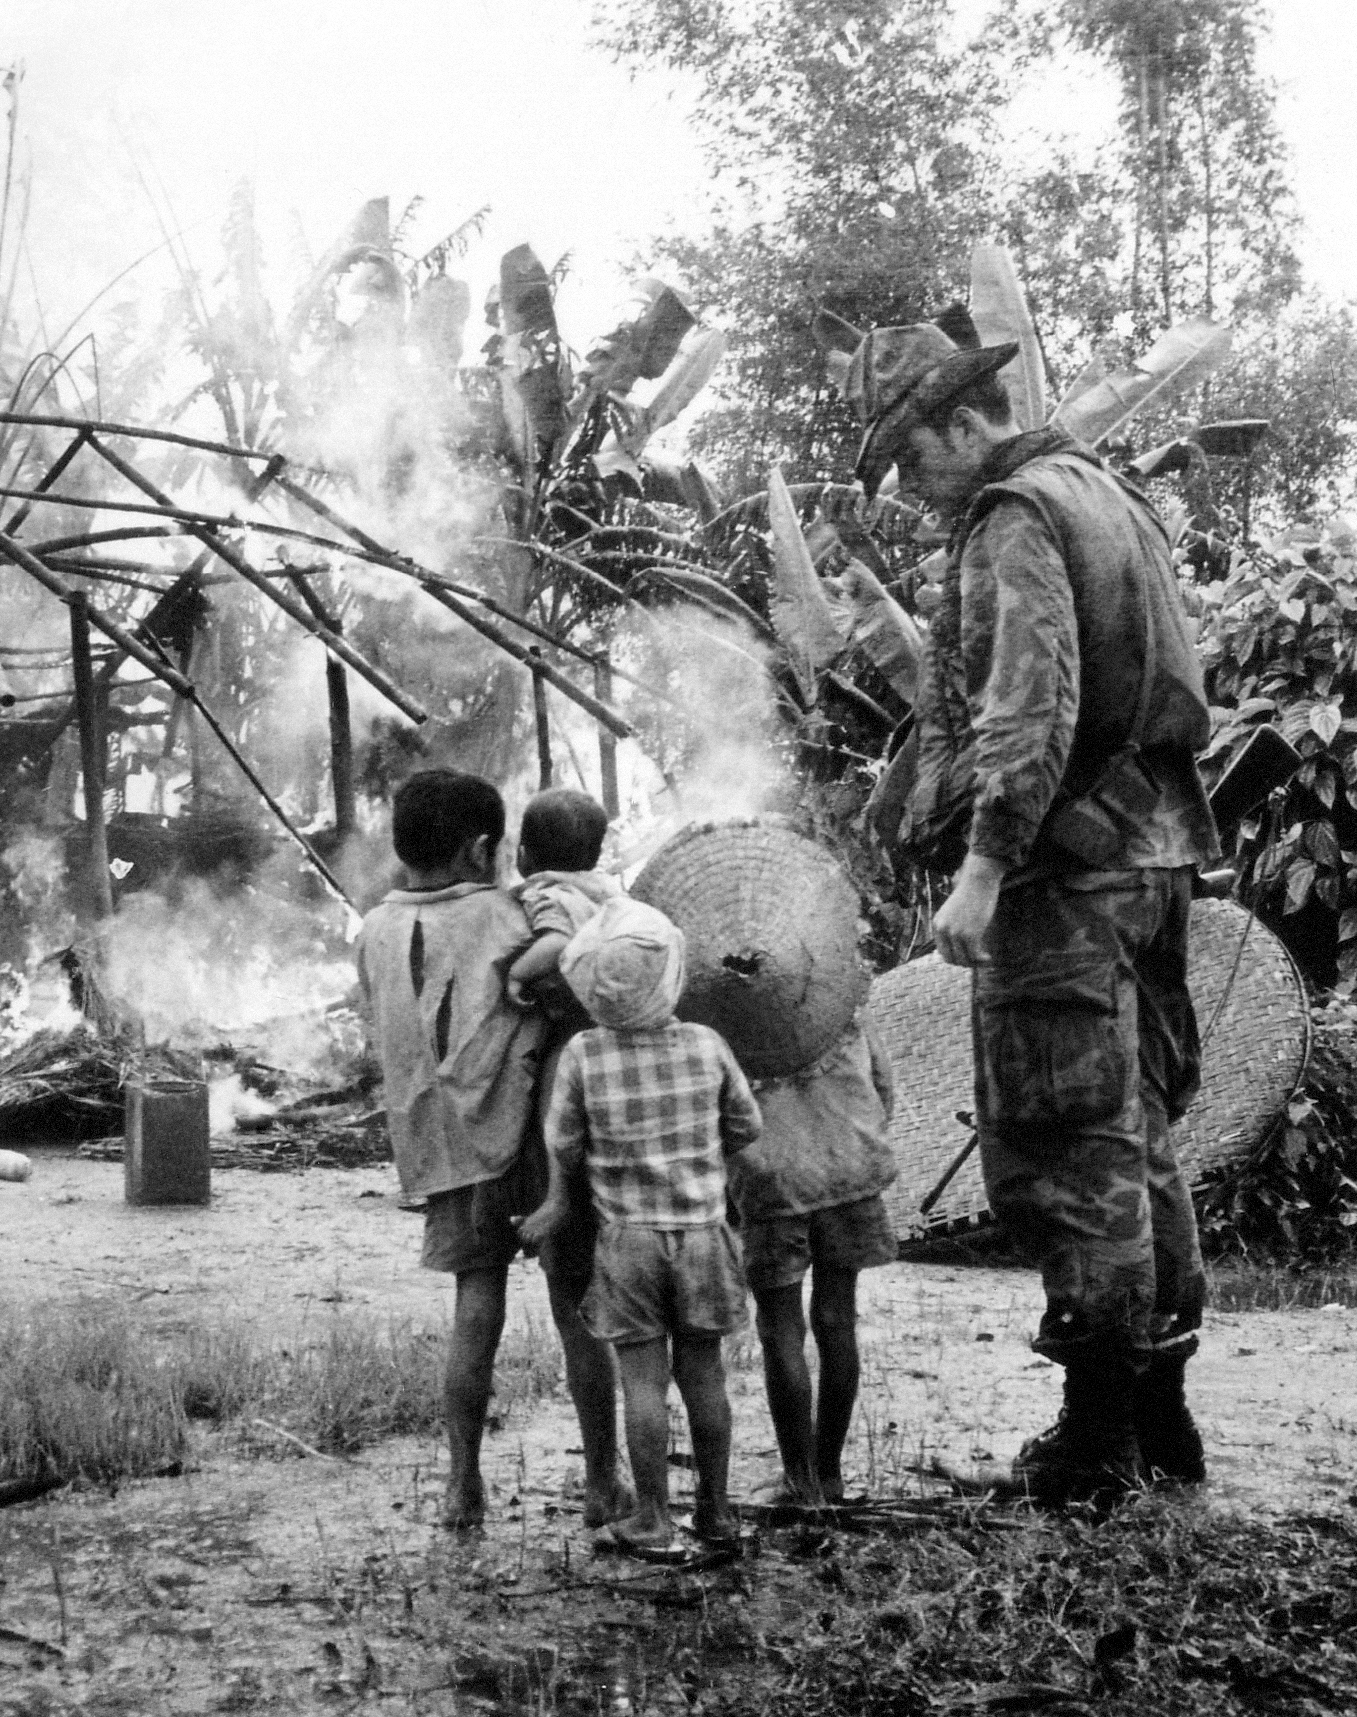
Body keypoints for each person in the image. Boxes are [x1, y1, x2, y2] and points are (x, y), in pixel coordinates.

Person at [842, 313, 1219, 1504]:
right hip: (1153, 858)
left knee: (1071, 1147)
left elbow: (1030, 707)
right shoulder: (1102, 490)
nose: (909, 487)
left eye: (913, 456)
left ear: (967, 420)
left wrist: (985, 866)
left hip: (1067, 871)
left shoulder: (1015, 517)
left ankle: (1098, 1441)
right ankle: (1161, 1418)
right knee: (1139, 1137)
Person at [355, 769, 627, 1532]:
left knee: (476, 1311)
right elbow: (571, 977)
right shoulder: (505, 914)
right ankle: (604, 1485)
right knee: (578, 1310)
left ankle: (462, 1486)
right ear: (482, 849)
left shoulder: (373, 931)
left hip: (442, 1149)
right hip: (535, 1146)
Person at [521, 897, 762, 1561]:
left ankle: (652, 1519)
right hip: (705, 1236)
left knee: (643, 1382)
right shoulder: (707, 1046)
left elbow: (563, 1143)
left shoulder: (584, 1054)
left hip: (626, 1241)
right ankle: (714, 1515)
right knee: (705, 1376)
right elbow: (746, 1125)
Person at [734, 1005, 899, 1512]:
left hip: (773, 1183)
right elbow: (884, 1091)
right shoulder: (846, 1017)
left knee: (780, 1329)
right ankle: (829, 1474)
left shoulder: (733, 1028)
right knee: (837, 1318)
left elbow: (723, 1115)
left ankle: (799, 1480)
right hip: (848, 1173)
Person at [505, 786, 620, 1008]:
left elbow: (558, 941)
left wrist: (517, 974)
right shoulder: (600, 886)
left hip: (576, 998)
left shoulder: (547, 892)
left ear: (523, 853)